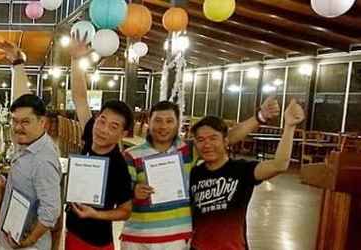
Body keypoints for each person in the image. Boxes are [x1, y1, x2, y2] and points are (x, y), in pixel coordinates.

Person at [121, 97, 281, 249]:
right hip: (137, 238)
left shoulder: (189, 150)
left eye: (169, 121)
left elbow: (229, 136)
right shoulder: (131, 155)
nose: (163, 127)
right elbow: (120, 194)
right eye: (158, 120)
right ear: (149, 121)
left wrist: (260, 116)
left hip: (176, 239)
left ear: (178, 124)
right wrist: (133, 192)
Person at [188, 100, 304, 250]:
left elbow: (279, 164)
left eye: (213, 138)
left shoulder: (241, 170)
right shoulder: (193, 173)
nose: (207, 145)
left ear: (226, 141)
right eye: (201, 140)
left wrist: (289, 126)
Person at [62, 32, 134, 250]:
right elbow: (80, 98)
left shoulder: (118, 164)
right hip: (72, 232)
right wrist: (75, 60)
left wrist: (97, 214)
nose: (102, 129)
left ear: (122, 134)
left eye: (114, 126)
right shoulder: (90, 131)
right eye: (102, 120)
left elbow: (126, 210)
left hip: (97, 243)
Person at [0, 94, 62, 250]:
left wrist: (29, 241)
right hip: (10, 235)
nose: (17, 127)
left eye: (25, 122)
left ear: (42, 122)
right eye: (15, 121)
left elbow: (50, 211)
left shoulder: (43, 160)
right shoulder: (29, 143)